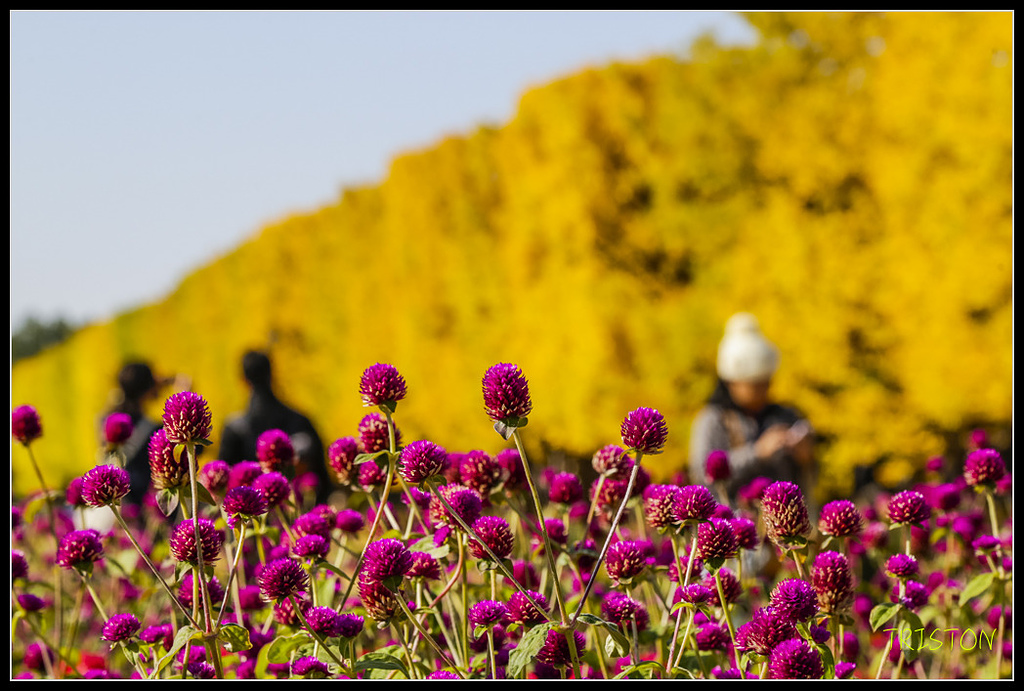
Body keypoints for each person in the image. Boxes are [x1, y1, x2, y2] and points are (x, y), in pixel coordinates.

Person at [689, 313, 815, 503]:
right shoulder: (712, 419)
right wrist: (757, 452)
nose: (764, 390)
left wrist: (805, 457)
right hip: (729, 518)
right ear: (731, 383)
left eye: (767, 382)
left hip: (783, 516)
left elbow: (811, 480)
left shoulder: (785, 416)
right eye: (754, 385)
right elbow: (701, 476)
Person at [219, 350, 331, 504]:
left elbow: (223, 485)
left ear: (243, 380)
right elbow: (323, 480)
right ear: (272, 375)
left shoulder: (233, 429)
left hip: (251, 512)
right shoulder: (300, 421)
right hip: (298, 512)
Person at [103, 362, 181, 506]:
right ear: (148, 387)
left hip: (119, 501)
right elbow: (192, 448)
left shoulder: (106, 420)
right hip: (147, 505)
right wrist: (182, 398)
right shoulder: (154, 431)